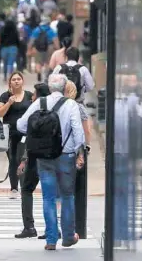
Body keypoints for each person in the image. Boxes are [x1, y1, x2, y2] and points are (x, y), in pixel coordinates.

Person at [16, 74, 85, 250]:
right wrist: (80, 153)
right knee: (67, 196)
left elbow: (21, 125)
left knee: (48, 197)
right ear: (64, 87)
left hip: (44, 156)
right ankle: (68, 236)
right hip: (66, 155)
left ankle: (51, 239)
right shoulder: (71, 105)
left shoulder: (40, 103)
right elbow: (78, 131)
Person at [14, 82, 51, 238]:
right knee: (50, 193)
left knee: (27, 189)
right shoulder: (62, 103)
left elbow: (21, 125)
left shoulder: (37, 104)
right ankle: (53, 228)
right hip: (54, 153)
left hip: (35, 154)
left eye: (34, 94)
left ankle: (29, 227)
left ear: (37, 95)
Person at [0, 72, 33, 199]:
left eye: (19, 79)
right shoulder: (5, 96)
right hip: (10, 134)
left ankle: (25, 186)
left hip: (25, 134)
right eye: (14, 79)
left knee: (23, 159)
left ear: (22, 81)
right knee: (13, 159)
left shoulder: (29, 95)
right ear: (10, 82)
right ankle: (14, 188)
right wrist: (9, 103)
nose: (16, 81)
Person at [53, 47, 95, 150]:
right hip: (78, 103)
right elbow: (90, 86)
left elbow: (52, 85)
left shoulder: (59, 68)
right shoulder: (83, 69)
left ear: (66, 57)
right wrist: (81, 90)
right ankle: (86, 146)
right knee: (86, 125)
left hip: (61, 104)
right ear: (78, 57)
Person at [27, 16, 59, 82]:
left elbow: (31, 40)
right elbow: (55, 40)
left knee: (38, 62)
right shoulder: (51, 30)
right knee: (47, 62)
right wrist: (57, 49)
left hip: (38, 48)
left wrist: (29, 49)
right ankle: (46, 76)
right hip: (49, 47)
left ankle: (39, 72)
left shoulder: (36, 30)